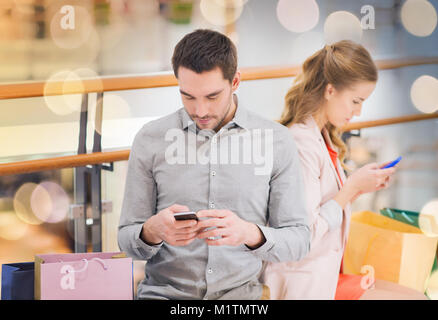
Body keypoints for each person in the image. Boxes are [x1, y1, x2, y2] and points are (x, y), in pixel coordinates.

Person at [118, 29, 311, 300]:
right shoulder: (151, 139)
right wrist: (151, 231)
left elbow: (299, 241)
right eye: (188, 96)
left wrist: (249, 233)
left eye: (212, 97)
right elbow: (126, 239)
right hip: (164, 296)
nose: (200, 111)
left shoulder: (276, 141)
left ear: (235, 82)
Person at [262, 40, 427, 300]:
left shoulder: (322, 136)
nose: (358, 112)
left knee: (416, 294)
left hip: (325, 272)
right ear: (330, 91)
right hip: (303, 281)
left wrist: (357, 189)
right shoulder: (300, 144)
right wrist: (351, 187)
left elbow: (324, 206)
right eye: (355, 101)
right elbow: (302, 237)